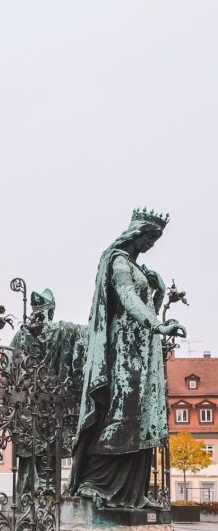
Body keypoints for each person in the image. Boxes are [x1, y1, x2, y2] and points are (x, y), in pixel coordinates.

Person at [68, 209, 186, 509]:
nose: (151, 244)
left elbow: (146, 305)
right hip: (124, 352)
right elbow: (127, 297)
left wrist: (157, 292)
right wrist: (157, 325)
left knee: (142, 417)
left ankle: (133, 493)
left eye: (155, 240)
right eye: (148, 237)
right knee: (124, 412)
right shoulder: (119, 262)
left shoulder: (139, 268)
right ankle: (96, 483)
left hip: (141, 351)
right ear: (136, 232)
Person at [10, 289, 86, 497]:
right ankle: (46, 486)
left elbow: (8, 365)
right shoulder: (64, 331)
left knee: (34, 445)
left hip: (28, 402)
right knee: (50, 444)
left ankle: (33, 488)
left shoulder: (22, 334)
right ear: (51, 310)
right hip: (55, 398)